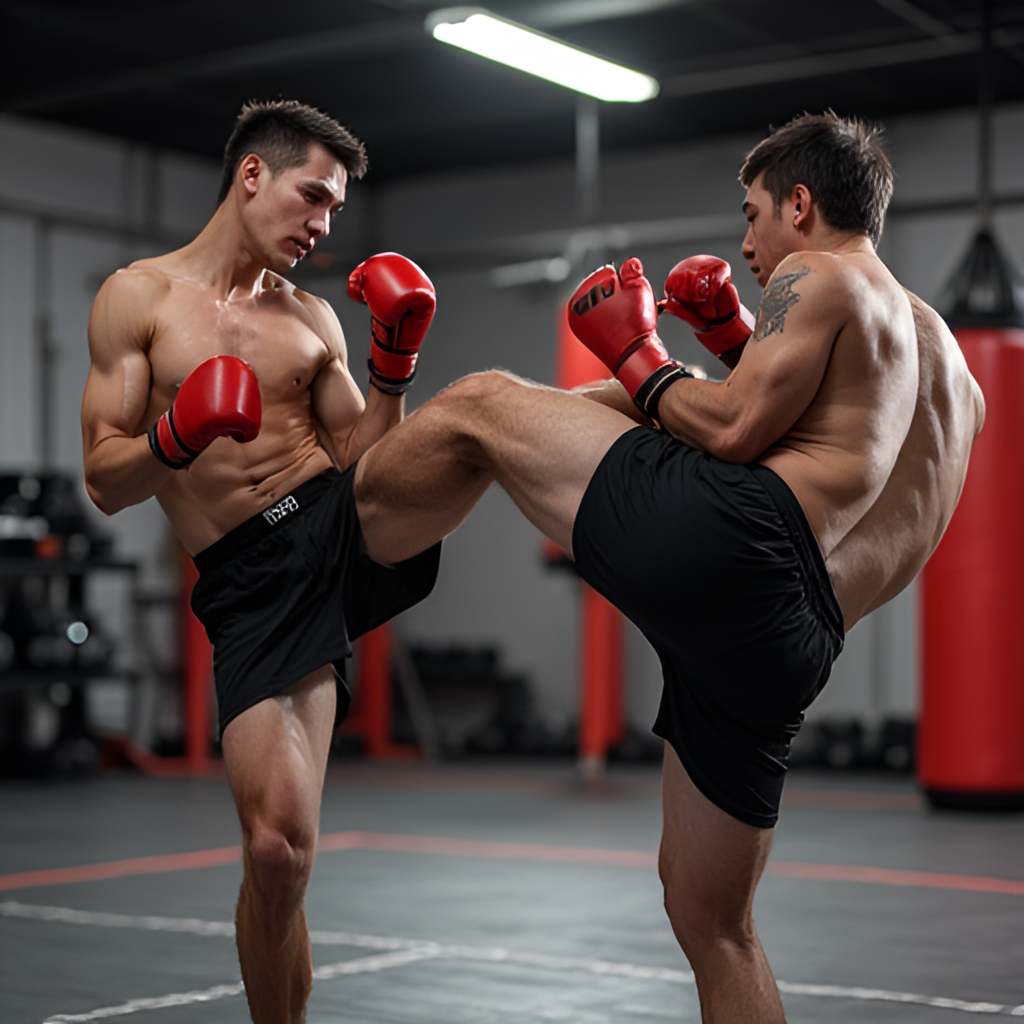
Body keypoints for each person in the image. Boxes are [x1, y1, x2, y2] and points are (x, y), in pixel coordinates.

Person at [350, 112, 984, 1023]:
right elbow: (839, 456)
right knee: (714, 923)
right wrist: (731, 340)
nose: (746, 245)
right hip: (797, 639)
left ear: (800, 205)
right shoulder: (951, 371)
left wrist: (637, 352)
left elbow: (734, 432)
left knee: (484, 404)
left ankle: (330, 535)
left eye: (753, 215)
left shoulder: (820, 272)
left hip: (739, 547)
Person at [82, 100, 443, 1024]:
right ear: (252, 175)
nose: (324, 224)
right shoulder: (137, 299)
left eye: (335, 208)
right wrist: (176, 433)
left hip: (333, 528)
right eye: (313, 196)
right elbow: (104, 480)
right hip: (248, 579)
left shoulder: (313, 317)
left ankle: (645, 413)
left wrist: (394, 365)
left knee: (476, 417)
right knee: (278, 854)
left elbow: (368, 461)